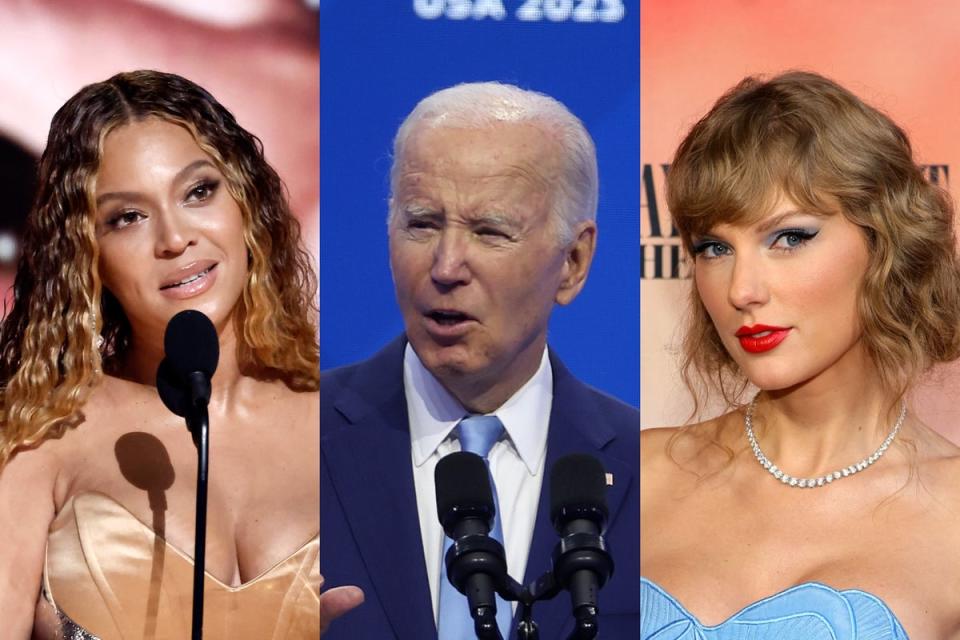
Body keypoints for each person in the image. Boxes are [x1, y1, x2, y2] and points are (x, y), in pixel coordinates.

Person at [0, 70, 323, 638]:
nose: (175, 239)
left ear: (247, 201)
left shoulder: (342, 421)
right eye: (127, 217)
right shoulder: (39, 435)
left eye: (199, 191)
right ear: (86, 256)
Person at [640, 71, 960, 639]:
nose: (742, 290)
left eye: (788, 238)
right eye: (715, 247)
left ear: (884, 243)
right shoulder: (634, 477)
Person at [321, 82, 640, 639]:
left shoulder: (648, 469)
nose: (446, 266)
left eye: (489, 231)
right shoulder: (299, 434)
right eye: (421, 224)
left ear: (574, 261)